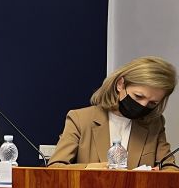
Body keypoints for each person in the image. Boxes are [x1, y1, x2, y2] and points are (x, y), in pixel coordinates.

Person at [47, 56, 176, 169]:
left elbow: (170, 169)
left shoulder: (155, 124)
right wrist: (91, 168)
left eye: (152, 103)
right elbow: (55, 167)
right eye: (138, 96)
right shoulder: (80, 119)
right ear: (120, 84)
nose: (143, 105)